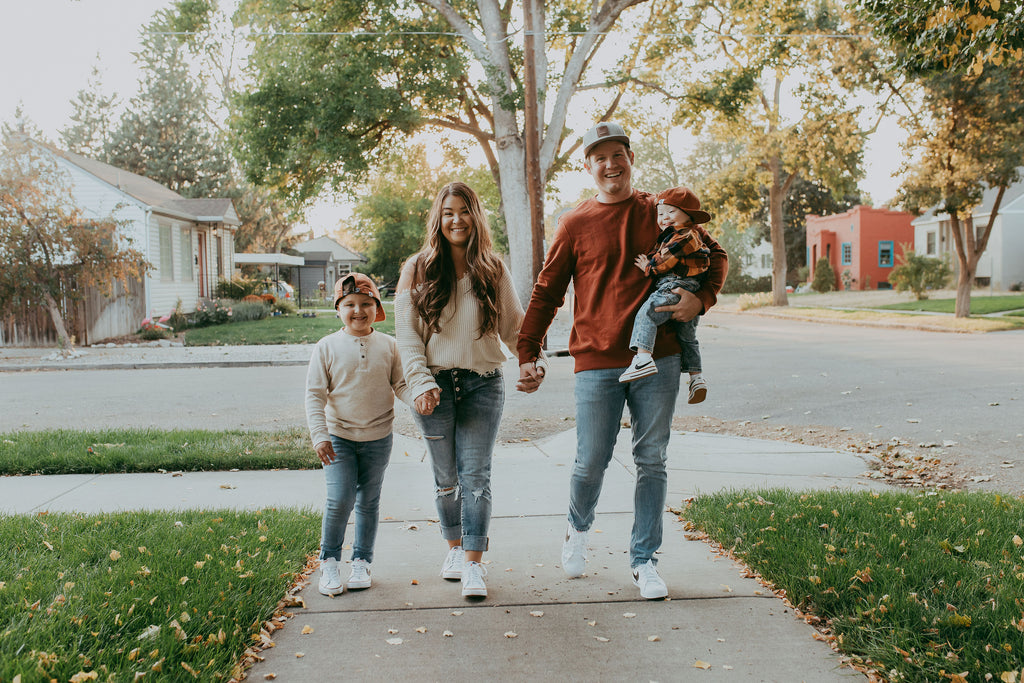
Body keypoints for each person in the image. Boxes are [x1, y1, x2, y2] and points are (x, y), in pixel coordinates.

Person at [516, 122, 727, 600]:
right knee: (590, 460)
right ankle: (577, 528)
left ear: (631, 158)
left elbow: (715, 255)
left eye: (619, 154)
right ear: (588, 166)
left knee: (651, 459)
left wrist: (703, 299)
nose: (611, 164)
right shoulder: (575, 223)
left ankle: (645, 559)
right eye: (600, 157)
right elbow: (548, 290)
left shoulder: (660, 211)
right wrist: (528, 350)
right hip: (596, 358)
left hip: (660, 356)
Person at [394, 181, 542, 599]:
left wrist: (532, 361)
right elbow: (407, 337)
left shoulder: (492, 267)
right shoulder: (417, 268)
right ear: (438, 220)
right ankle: (454, 550)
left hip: (483, 385)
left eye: (464, 211)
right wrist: (420, 382)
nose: (456, 220)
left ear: (476, 216)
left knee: (476, 477)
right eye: (448, 213)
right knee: (446, 479)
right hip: (434, 387)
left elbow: (515, 327)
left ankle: (475, 564)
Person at [305, 273, 413, 597]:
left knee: (368, 501)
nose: (358, 311)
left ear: (377, 308)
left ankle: (362, 560)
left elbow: (401, 385)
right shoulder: (326, 347)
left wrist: (419, 401)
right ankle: (329, 562)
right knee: (340, 500)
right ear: (338, 309)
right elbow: (314, 395)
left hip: (379, 437)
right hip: (338, 436)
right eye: (349, 304)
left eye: (366, 304)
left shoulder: (389, 346)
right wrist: (319, 435)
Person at [619, 186, 715, 407]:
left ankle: (643, 358)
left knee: (647, 313)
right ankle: (696, 378)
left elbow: (665, 261)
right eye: (661, 214)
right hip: (687, 290)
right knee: (688, 338)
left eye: (671, 212)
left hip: (675, 286)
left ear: (688, 215)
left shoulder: (685, 235)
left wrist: (648, 266)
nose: (665, 218)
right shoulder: (677, 235)